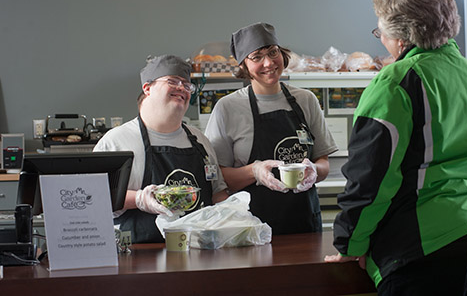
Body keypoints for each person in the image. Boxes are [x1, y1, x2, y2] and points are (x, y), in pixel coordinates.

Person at [325, 0, 467, 295]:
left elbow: (371, 177)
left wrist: (350, 243)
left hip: (431, 247)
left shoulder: (397, 81)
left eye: (381, 31)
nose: (381, 39)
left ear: (401, 36)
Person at [204, 22, 338, 235]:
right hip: (251, 226)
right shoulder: (227, 108)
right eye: (256, 57)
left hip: (304, 223)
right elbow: (217, 177)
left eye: (273, 52)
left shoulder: (306, 100)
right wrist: (255, 171)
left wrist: (314, 171)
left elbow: (323, 162)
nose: (268, 62)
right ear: (243, 66)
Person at [94, 55, 229, 243]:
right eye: (172, 81)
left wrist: (233, 220)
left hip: (198, 253)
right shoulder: (117, 141)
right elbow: (94, 198)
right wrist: (140, 199)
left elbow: (217, 194)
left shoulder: (200, 141)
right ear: (147, 88)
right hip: (138, 258)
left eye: (187, 84)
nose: (182, 88)